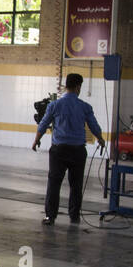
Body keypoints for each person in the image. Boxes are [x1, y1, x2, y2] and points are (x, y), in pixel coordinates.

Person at [33, 72, 106, 225]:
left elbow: (43, 124)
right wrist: (100, 139)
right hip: (78, 151)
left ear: (66, 86)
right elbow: (94, 125)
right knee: (76, 184)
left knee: (54, 183)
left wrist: (36, 141)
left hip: (59, 150)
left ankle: (50, 217)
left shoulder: (54, 105)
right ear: (78, 87)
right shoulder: (85, 107)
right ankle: (74, 216)